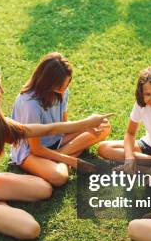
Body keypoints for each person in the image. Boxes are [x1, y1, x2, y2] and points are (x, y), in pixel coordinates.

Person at [0, 68, 113, 240]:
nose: (2, 93)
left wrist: (83, 125)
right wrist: (85, 123)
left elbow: (48, 129)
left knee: (45, 189)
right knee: (31, 229)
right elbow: (47, 129)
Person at [10, 52, 111, 186]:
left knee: (103, 126)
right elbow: (36, 149)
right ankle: (65, 156)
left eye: (67, 84)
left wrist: (86, 126)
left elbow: (63, 125)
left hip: (57, 140)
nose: (63, 89)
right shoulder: (30, 104)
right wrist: (73, 161)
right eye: (59, 87)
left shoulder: (62, 91)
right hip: (30, 152)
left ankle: (57, 157)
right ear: (47, 81)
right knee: (59, 177)